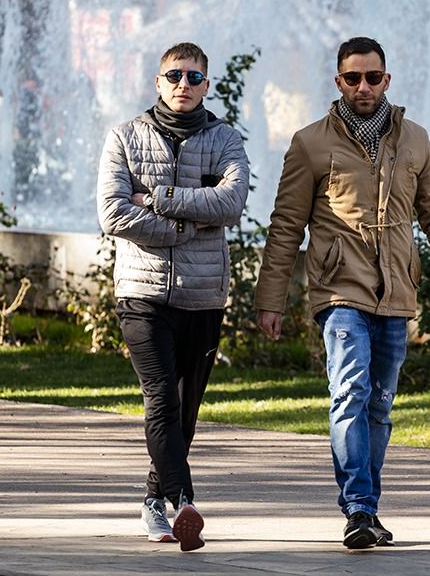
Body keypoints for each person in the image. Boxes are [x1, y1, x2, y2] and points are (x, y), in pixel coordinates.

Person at [254, 37, 430, 549]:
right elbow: (286, 226)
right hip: (338, 290)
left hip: (396, 290)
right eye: (352, 78)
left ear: (387, 80)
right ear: (338, 82)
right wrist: (272, 298)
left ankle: (368, 508)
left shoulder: (415, 139)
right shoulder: (310, 143)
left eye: (372, 77)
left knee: (380, 404)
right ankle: (357, 508)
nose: (363, 87)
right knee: (349, 393)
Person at [96, 42, 249, 552]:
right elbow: (114, 214)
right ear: (157, 82)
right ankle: (184, 503)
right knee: (161, 398)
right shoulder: (124, 136)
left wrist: (161, 202)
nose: (184, 84)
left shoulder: (225, 138)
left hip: (204, 295)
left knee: (186, 409)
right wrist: (190, 224)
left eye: (195, 77)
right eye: (174, 75)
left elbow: (231, 203)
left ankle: (152, 503)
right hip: (141, 293)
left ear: (207, 85)